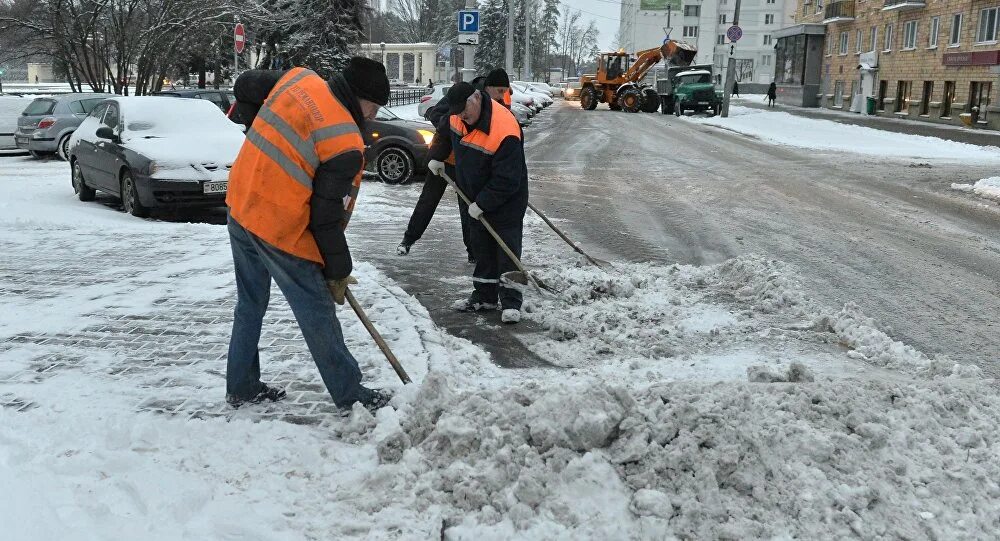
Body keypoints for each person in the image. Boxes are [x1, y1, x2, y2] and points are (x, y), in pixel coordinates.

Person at [224, 57, 393, 412]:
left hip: (241, 203)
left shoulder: (300, 80)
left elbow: (251, 90)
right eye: (374, 106)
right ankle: (350, 394)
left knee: (250, 304)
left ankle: (241, 385)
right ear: (360, 96)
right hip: (278, 225)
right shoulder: (345, 141)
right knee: (316, 308)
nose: (374, 116)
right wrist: (337, 271)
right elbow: (325, 219)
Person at [428, 82, 528, 324]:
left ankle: (512, 302)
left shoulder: (504, 127)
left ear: (475, 99)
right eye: (458, 113)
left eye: (465, 111)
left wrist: (483, 202)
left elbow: (508, 179)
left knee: (505, 251)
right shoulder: (457, 117)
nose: (462, 117)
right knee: (482, 248)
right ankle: (485, 297)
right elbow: (444, 135)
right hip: (473, 195)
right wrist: (436, 157)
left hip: (506, 199)